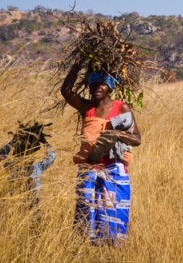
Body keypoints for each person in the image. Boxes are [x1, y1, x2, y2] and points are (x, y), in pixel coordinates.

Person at [60, 62, 141, 245]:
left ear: (109, 87)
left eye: (102, 84)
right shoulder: (86, 107)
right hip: (88, 168)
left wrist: (114, 133)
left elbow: (136, 139)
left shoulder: (122, 108)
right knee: (86, 219)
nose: (97, 88)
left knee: (113, 219)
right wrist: (78, 63)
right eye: (93, 84)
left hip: (114, 170)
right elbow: (66, 90)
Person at [0, 122, 56, 209]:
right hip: (32, 206)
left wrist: (13, 141)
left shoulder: (12, 167)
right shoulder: (36, 168)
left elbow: (1, 154)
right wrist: (45, 142)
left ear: (15, 155)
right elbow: (52, 156)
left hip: (15, 205)